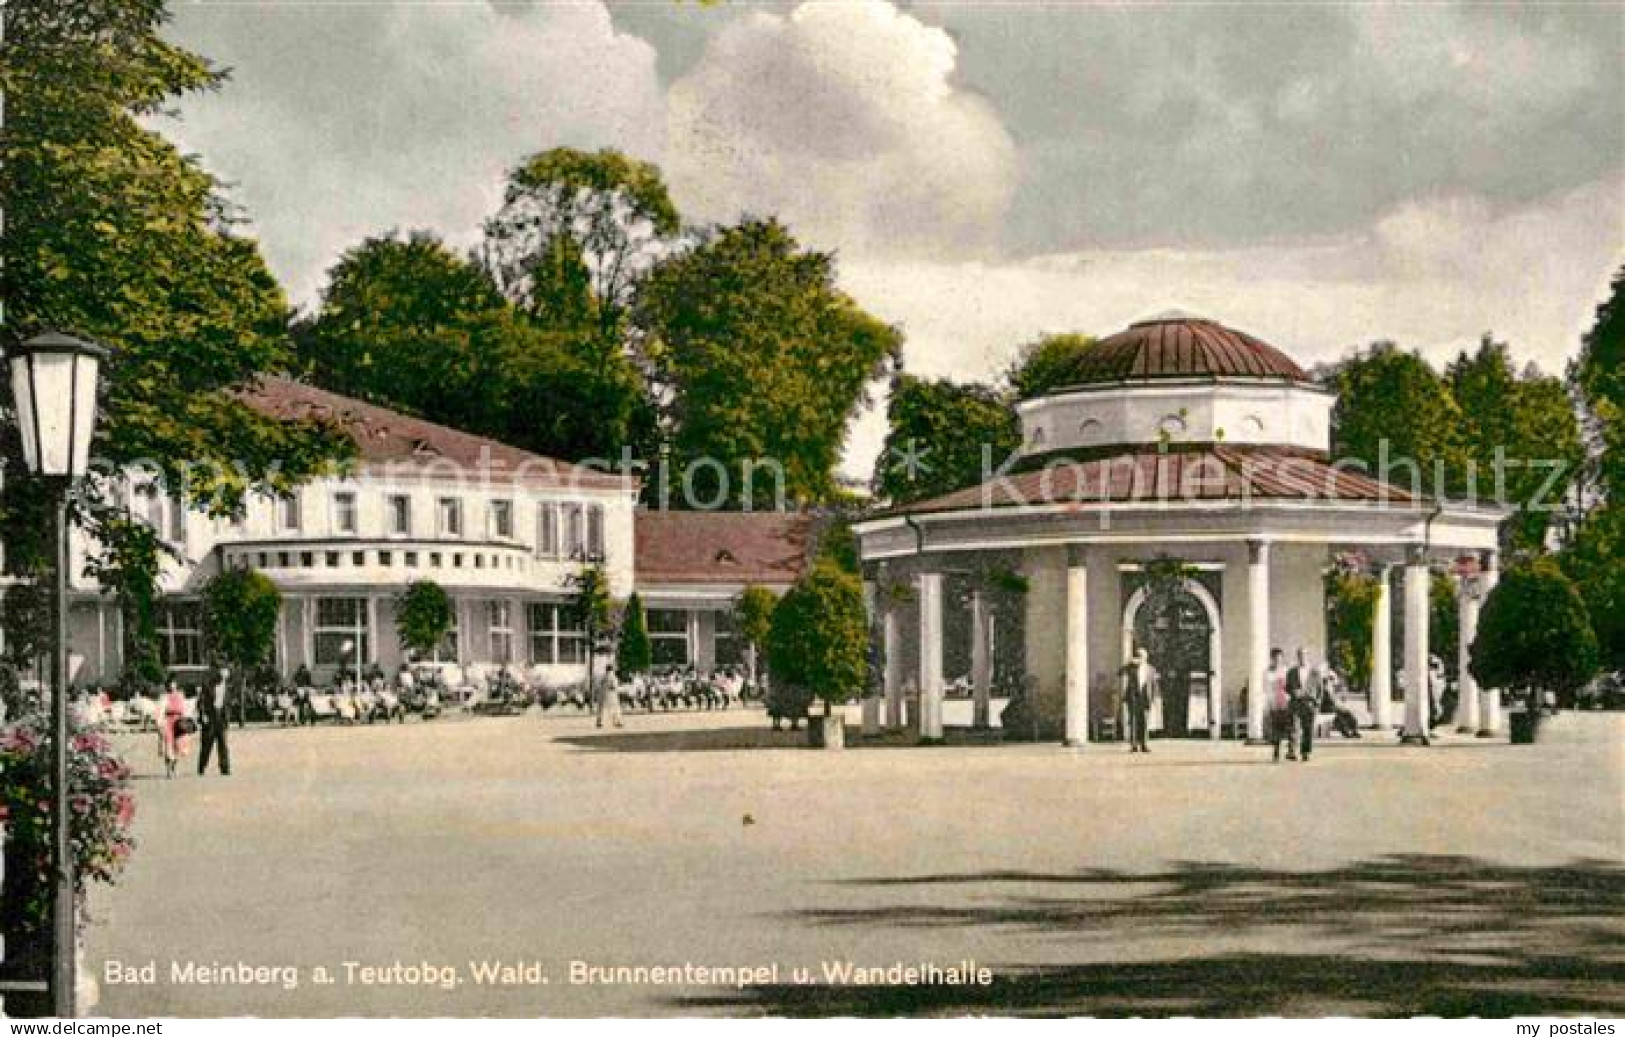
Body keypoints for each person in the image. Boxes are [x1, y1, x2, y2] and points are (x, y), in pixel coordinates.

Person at [1284, 647, 1322, 762]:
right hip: (1296, 703)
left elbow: (1320, 689)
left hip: (1310, 704)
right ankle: (1292, 751)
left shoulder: (1315, 672)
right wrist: (1293, 692)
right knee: (1294, 728)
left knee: (1308, 729)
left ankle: (1305, 752)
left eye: (1304, 655)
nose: (1302, 657)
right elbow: (1287, 687)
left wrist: (1317, 703)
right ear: (1297, 657)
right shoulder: (1292, 672)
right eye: (1300, 655)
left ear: (1307, 656)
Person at [1120, 647, 1157, 753]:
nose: (1140, 658)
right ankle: (1134, 745)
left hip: (1145, 699)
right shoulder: (1131, 668)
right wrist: (1129, 663)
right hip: (1133, 698)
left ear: (1146, 657)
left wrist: (1153, 698)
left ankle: (1144, 744)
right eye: (1138, 655)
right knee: (1133, 721)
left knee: (1144, 722)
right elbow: (1119, 672)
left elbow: (1154, 685)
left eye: (1142, 656)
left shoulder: (1151, 669)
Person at [198, 665, 232, 776]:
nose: (225, 673)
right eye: (223, 671)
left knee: (223, 744)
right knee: (207, 744)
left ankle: (225, 768)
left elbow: (227, 703)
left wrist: (227, 717)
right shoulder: (208, 684)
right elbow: (201, 701)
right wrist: (203, 714)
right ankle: (202, 767)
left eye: (227, 671)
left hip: (221, 717)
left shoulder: (227, 686)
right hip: (210, 717)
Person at [1264, 648, 1294, 761]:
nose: (1277, 661)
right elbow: (1266, 689)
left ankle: (1291, 751)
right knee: (1276, 729)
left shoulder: (1286, 671)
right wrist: (1268, 704)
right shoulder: (1267, 672)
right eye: (1275, 658)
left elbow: (1290, 686)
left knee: (1290, 727)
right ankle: (1276, 753)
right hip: (1274, 703)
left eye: (1279, 658)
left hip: (1286, 702)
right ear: (1272, 659)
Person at [158, 678, 190, 778]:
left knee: (178, 745)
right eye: (170, 684)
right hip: (168, 721)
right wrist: (159, 723)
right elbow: (160, 710)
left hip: (179, 722)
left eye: (173, 684)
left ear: (176, 685)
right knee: (168, 744)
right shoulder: (164, 697)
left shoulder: (180, 696)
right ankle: (168, 769)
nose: (172, 686)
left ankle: (174, 768)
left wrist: (186, 722)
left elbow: (185, 709)